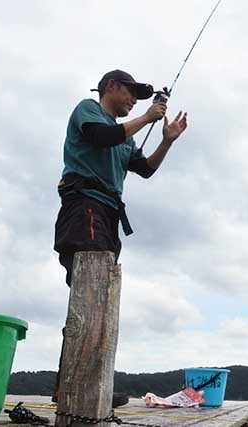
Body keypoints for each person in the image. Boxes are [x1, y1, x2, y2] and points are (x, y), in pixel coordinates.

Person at [52, 69, 189, 405]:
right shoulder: (88, 109)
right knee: (91, 291)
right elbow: (101, 137)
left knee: (99, 296)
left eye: (140, 98)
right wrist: (146, 116)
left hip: (108, 214)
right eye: (131, 93)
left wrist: (166, 140)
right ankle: (78, 387)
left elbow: (146, 168)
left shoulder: (125, 137)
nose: (134, 100)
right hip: (84, 205)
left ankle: (77, 384)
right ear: (110, 87)